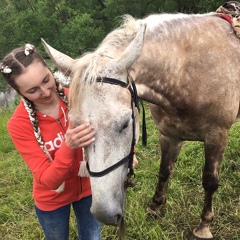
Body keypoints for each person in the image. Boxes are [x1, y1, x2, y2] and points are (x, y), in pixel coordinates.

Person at [0, 43, 102, 240]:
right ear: (18, 92)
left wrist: (130, 154)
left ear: (50, 68)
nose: (46, 92)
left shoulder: (78, 97)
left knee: (92, 237)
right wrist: (68, 146)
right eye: (32, 90)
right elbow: (49, 180)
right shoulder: (18, 124)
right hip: (52, 200)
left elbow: (109, 127)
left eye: (46, 80)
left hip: (90, 188)